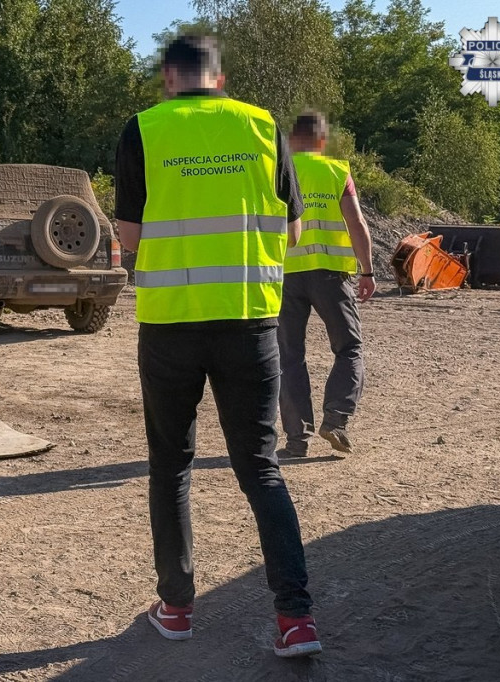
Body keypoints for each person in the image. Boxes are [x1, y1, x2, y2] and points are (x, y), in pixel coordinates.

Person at [115, 34, 321, 657]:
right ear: (219, 78)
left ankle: (176, 608)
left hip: (171, 323)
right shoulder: (262, 127)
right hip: (249, 322)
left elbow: (129, 234)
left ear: (170, 78)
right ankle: (297, 620)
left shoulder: (143, 130)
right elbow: (291, 228)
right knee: (260, 468)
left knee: (171, 466)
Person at [277, 111, 375, 458]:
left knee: (289, 358)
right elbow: (357, 223)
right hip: (331, 276)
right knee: (349, 349)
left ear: (291, 139)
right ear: (321, 140)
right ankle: (335, 419)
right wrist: (368, 270)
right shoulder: (337, 171)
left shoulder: (276, 170)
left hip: (285, 275)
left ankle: (295, 439)